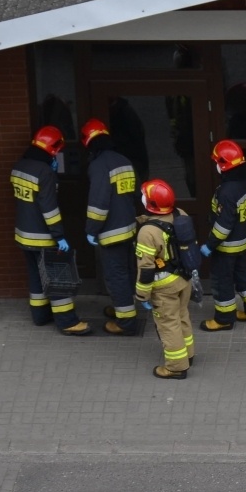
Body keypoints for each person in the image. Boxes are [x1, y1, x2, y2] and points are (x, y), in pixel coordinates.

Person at [10, 126, 90, 335]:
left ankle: (40, 316)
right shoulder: (44, 172)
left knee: (36, 276)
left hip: (23, 234)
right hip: (43, 237)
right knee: (58, 277)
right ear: (53, 148)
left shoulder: (20, 165)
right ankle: (67, 322)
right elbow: (49, 209)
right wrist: (59, 236)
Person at [80, 119, 141, 336]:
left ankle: (126, 323)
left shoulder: (98, 166)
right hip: (129, 228)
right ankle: (123, 308)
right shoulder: (123, 160)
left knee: (116, 276)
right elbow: (134, 195)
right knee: (126, 272)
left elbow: (99, 203)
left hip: (111, 232)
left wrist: (91, 229)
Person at [198, 139, 246, 332]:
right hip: (243, 241)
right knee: (243, 273)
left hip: (226, 246)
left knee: (222, 280)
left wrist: (210, 245)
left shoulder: (227, 192)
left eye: (218, 163)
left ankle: (224, 318)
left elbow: (223, 226)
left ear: (224, 165)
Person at [134, 179, 195, 379]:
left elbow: (146, 268)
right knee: (182, 315)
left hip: (163, 287)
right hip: (183, 279)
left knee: (168, 325)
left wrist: (142, 295)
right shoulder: (180, 214)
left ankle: (176, 367)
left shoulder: (147, 232)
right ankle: (188, 355)